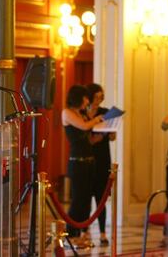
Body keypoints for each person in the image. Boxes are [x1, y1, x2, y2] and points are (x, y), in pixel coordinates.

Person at [61, 85, 103, 244]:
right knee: (78, 201)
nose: (87, 101)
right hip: (77, 163)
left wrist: (95, 139)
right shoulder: (67, 112)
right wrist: (97, 119)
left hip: (89, 162)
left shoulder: (82, 113)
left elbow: (86, 137)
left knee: (86, 201)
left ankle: (82, 234)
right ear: (78, 97)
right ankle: (71, 234)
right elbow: (84, 126)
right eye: (86, 98)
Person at [86, 83, 116, 246]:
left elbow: (112, 138)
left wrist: (111, 133)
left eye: (101, 97)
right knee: (84, 198)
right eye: (96, 97)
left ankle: (103, 233)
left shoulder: (106, 113)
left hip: (103, 157)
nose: (99, 100)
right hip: (86, 158)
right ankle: (84, 231)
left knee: (101, 198)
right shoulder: (82, 114)